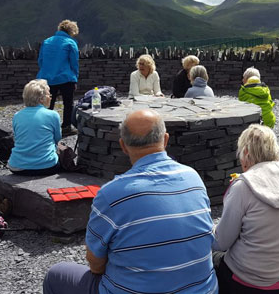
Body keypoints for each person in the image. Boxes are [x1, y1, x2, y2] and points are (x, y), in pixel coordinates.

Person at [43, 109, 218, 294]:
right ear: (165, 139)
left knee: (56, 275)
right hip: (204, 291)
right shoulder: (194, 178)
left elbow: (95, 264)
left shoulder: (111, 195)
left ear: (123, 146)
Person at [212, 124, 279, 294]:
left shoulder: (243, 187)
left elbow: (221, 242)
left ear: (246, 154)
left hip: (251, 279)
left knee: (211, 259)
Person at [8, 80, 62, 176]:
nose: (50, 98)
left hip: (17, 166)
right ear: (41, 99)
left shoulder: (17, 115)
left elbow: (17, 139)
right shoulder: (52, 115)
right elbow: (57, 139)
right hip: (46, 165)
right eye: (49, 95)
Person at [37, 19, 79, 137]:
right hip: (65, 77)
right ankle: (66, 127)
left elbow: (40, 60)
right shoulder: (70, 43)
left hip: (46, 78)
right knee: (68, 103)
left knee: (47, 103)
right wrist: (75, 78)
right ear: (71, 31)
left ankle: (45, 127)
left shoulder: (46, 41)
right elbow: (74, 63)